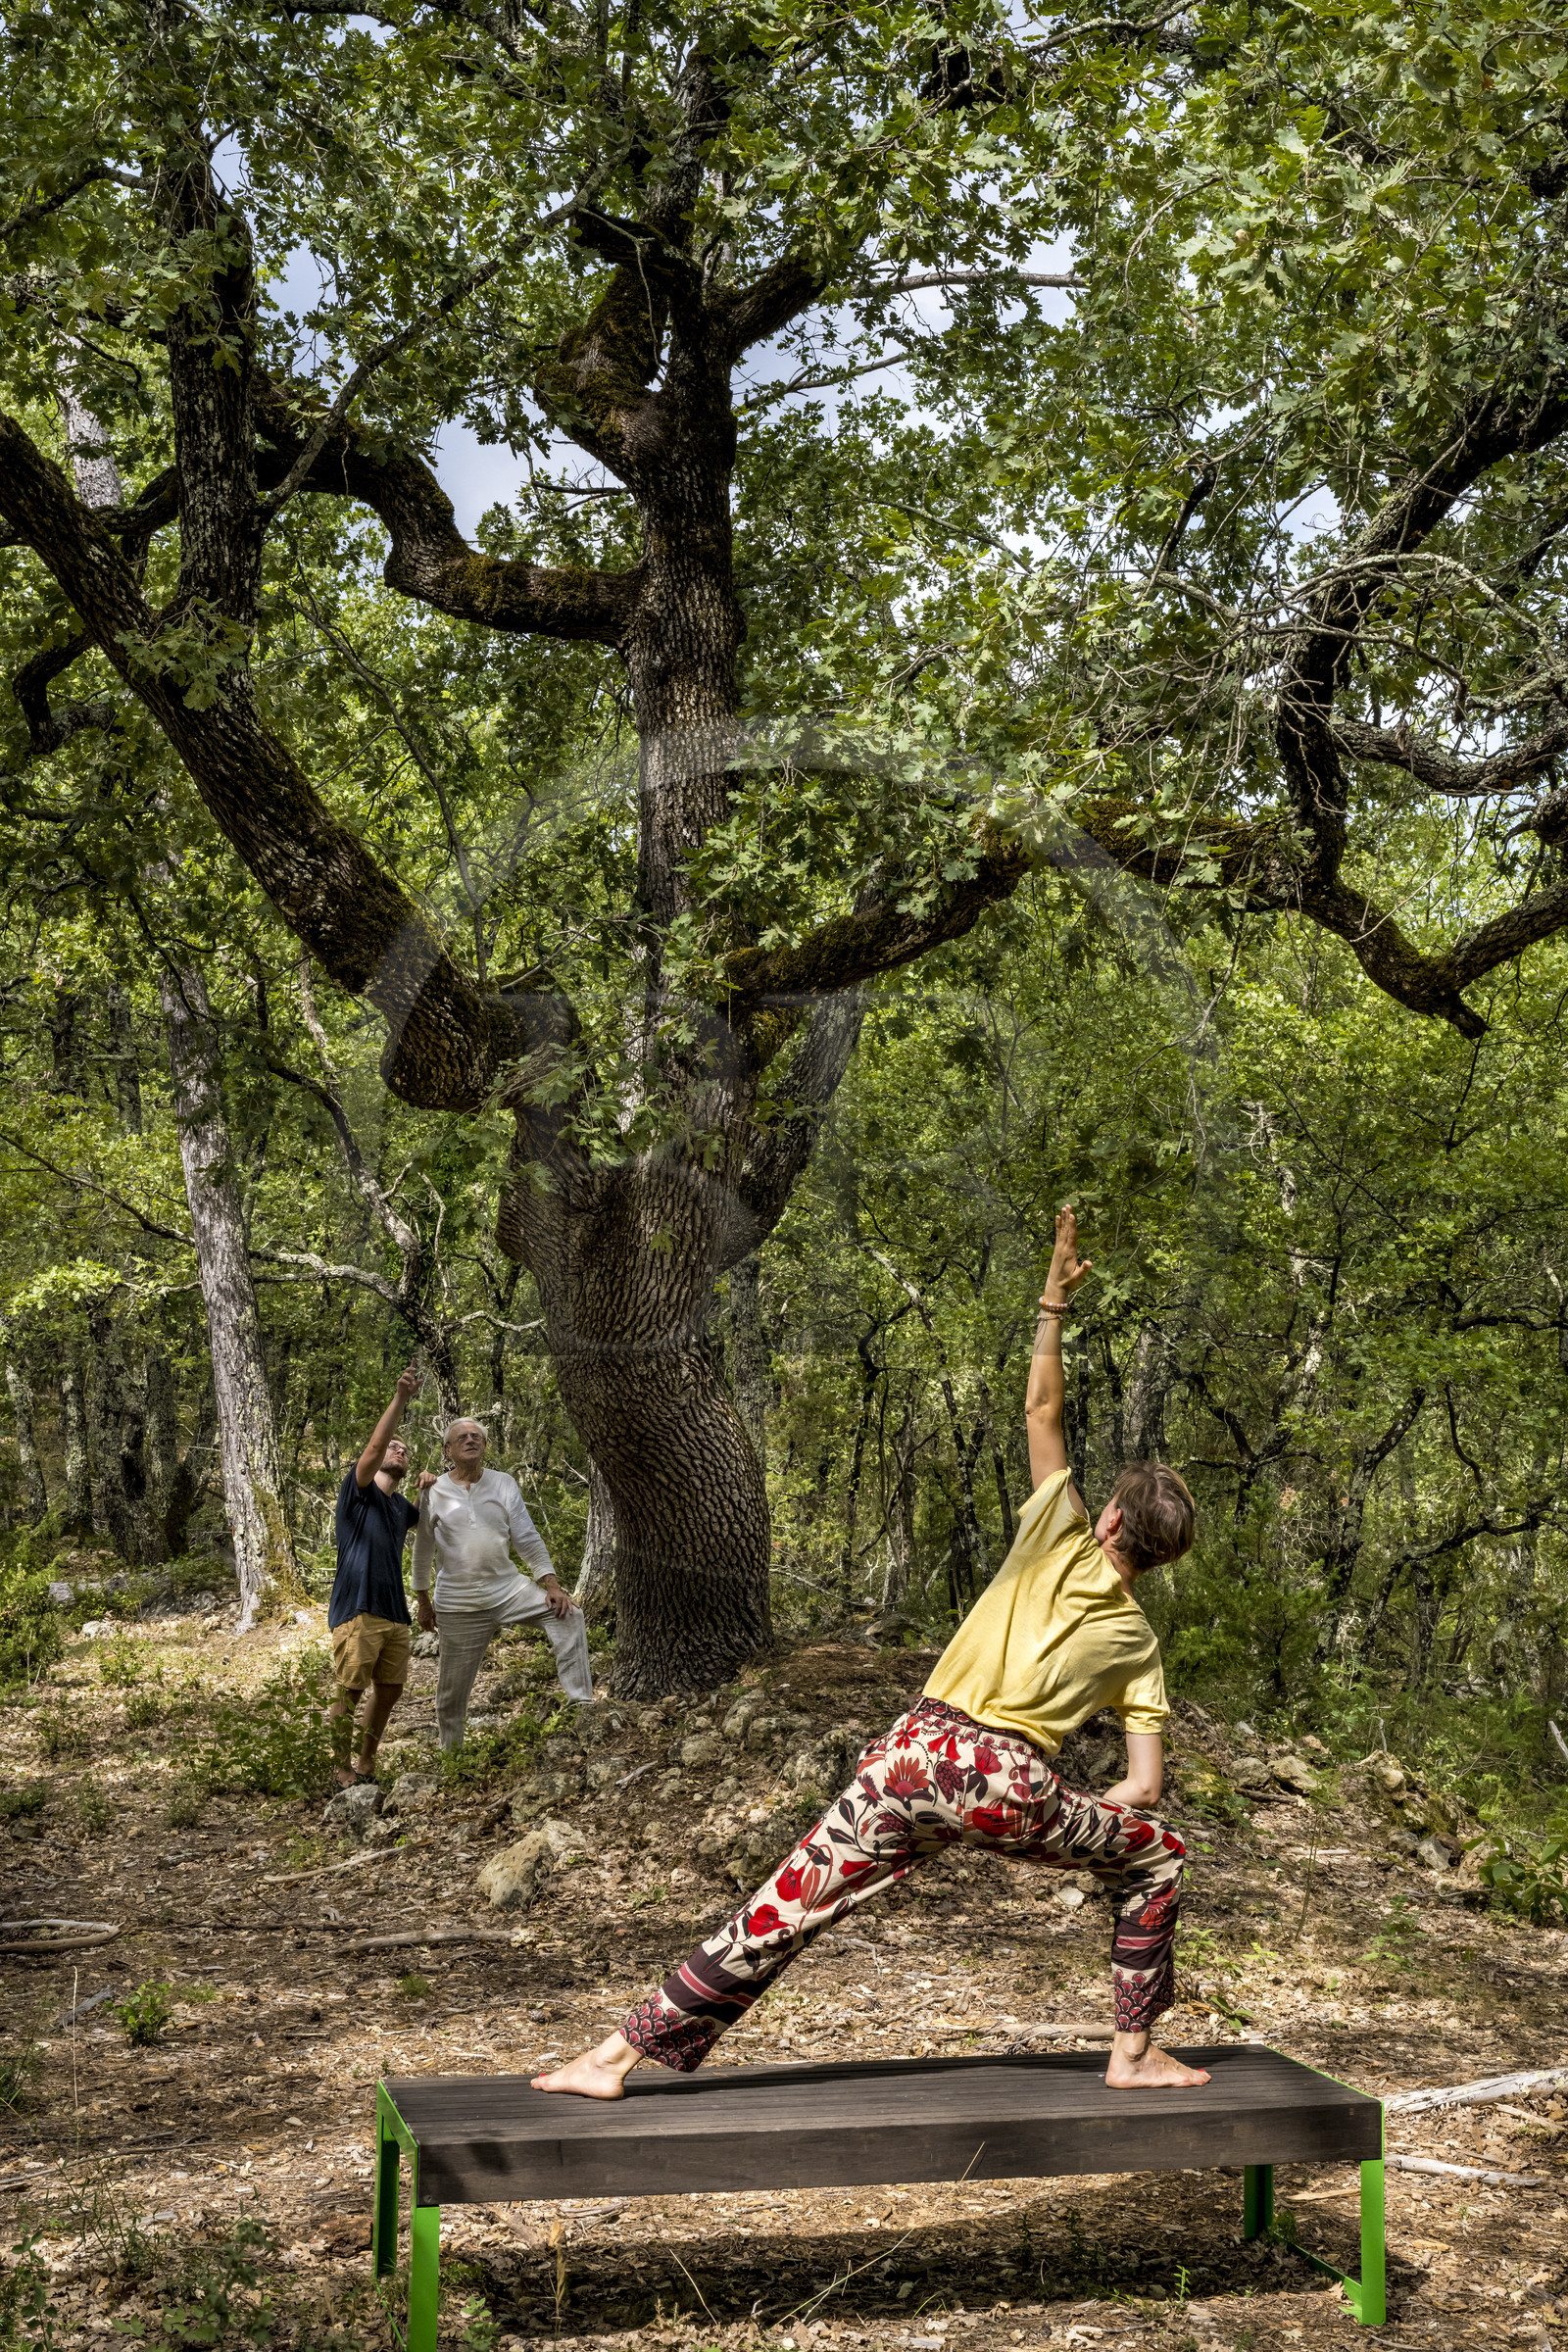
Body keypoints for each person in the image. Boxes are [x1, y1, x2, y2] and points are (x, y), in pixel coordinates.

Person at [536, 1204, 1209, 2099]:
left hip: (909, 1756)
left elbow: (1041, 1406)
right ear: (1162, 1557)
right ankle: (1132, 2055)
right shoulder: (1140, 1645)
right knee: (1157, 1852)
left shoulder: (1060, 1535)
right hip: (1008, 1782)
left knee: (782, 1908)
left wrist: (1052, 1303)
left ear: (1113, 1520)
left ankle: (610, 2059)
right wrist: (1046, 1817)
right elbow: (1145, 1790)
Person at [413, 1416, 593, 1746]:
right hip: (458, 1603)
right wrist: (423, 1601)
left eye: (476, 1436)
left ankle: (581, 1706)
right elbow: (423, 1548)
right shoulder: (433, 1489)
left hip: (508, 1590)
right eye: (462, 1437)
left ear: (484, 1445)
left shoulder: (503, 1483)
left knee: (569, 1616)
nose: (471, 1440)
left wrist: (551, 1585)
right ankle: (451, 1756)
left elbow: (525, 1536)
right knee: (451, 1694)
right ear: (447, 1449)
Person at [328, 1361, 423, 1788]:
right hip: (359, 1606)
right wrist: (401, 1398)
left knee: (390, 1690)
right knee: (351, 1689)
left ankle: (367, 1762)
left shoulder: (402, 1509)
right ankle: (338, 1764)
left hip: (395, 1613)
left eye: (406, 1450)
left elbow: (438, 1525)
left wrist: (433, 1484)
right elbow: (371, 1450)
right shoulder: (359, 1492)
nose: (399, 1451)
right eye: (394, 1447)